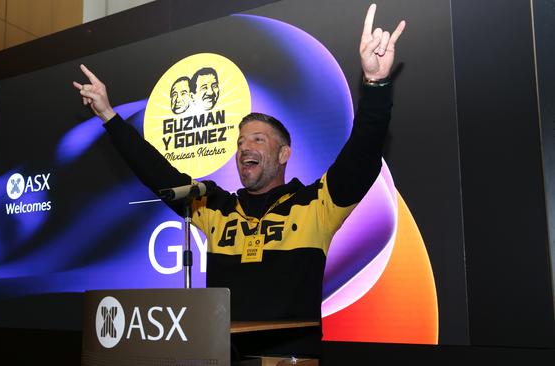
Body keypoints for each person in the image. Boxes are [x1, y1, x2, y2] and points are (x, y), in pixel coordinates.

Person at [73, 3, 405, 357]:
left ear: (284, 154)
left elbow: (363, 155)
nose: (244, 146)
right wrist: (110, 117)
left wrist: (376, 84)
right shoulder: (215, 207)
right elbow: (157, 173)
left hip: (290, 360)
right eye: (240, 141)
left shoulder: (316, 205)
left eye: (258, 139)